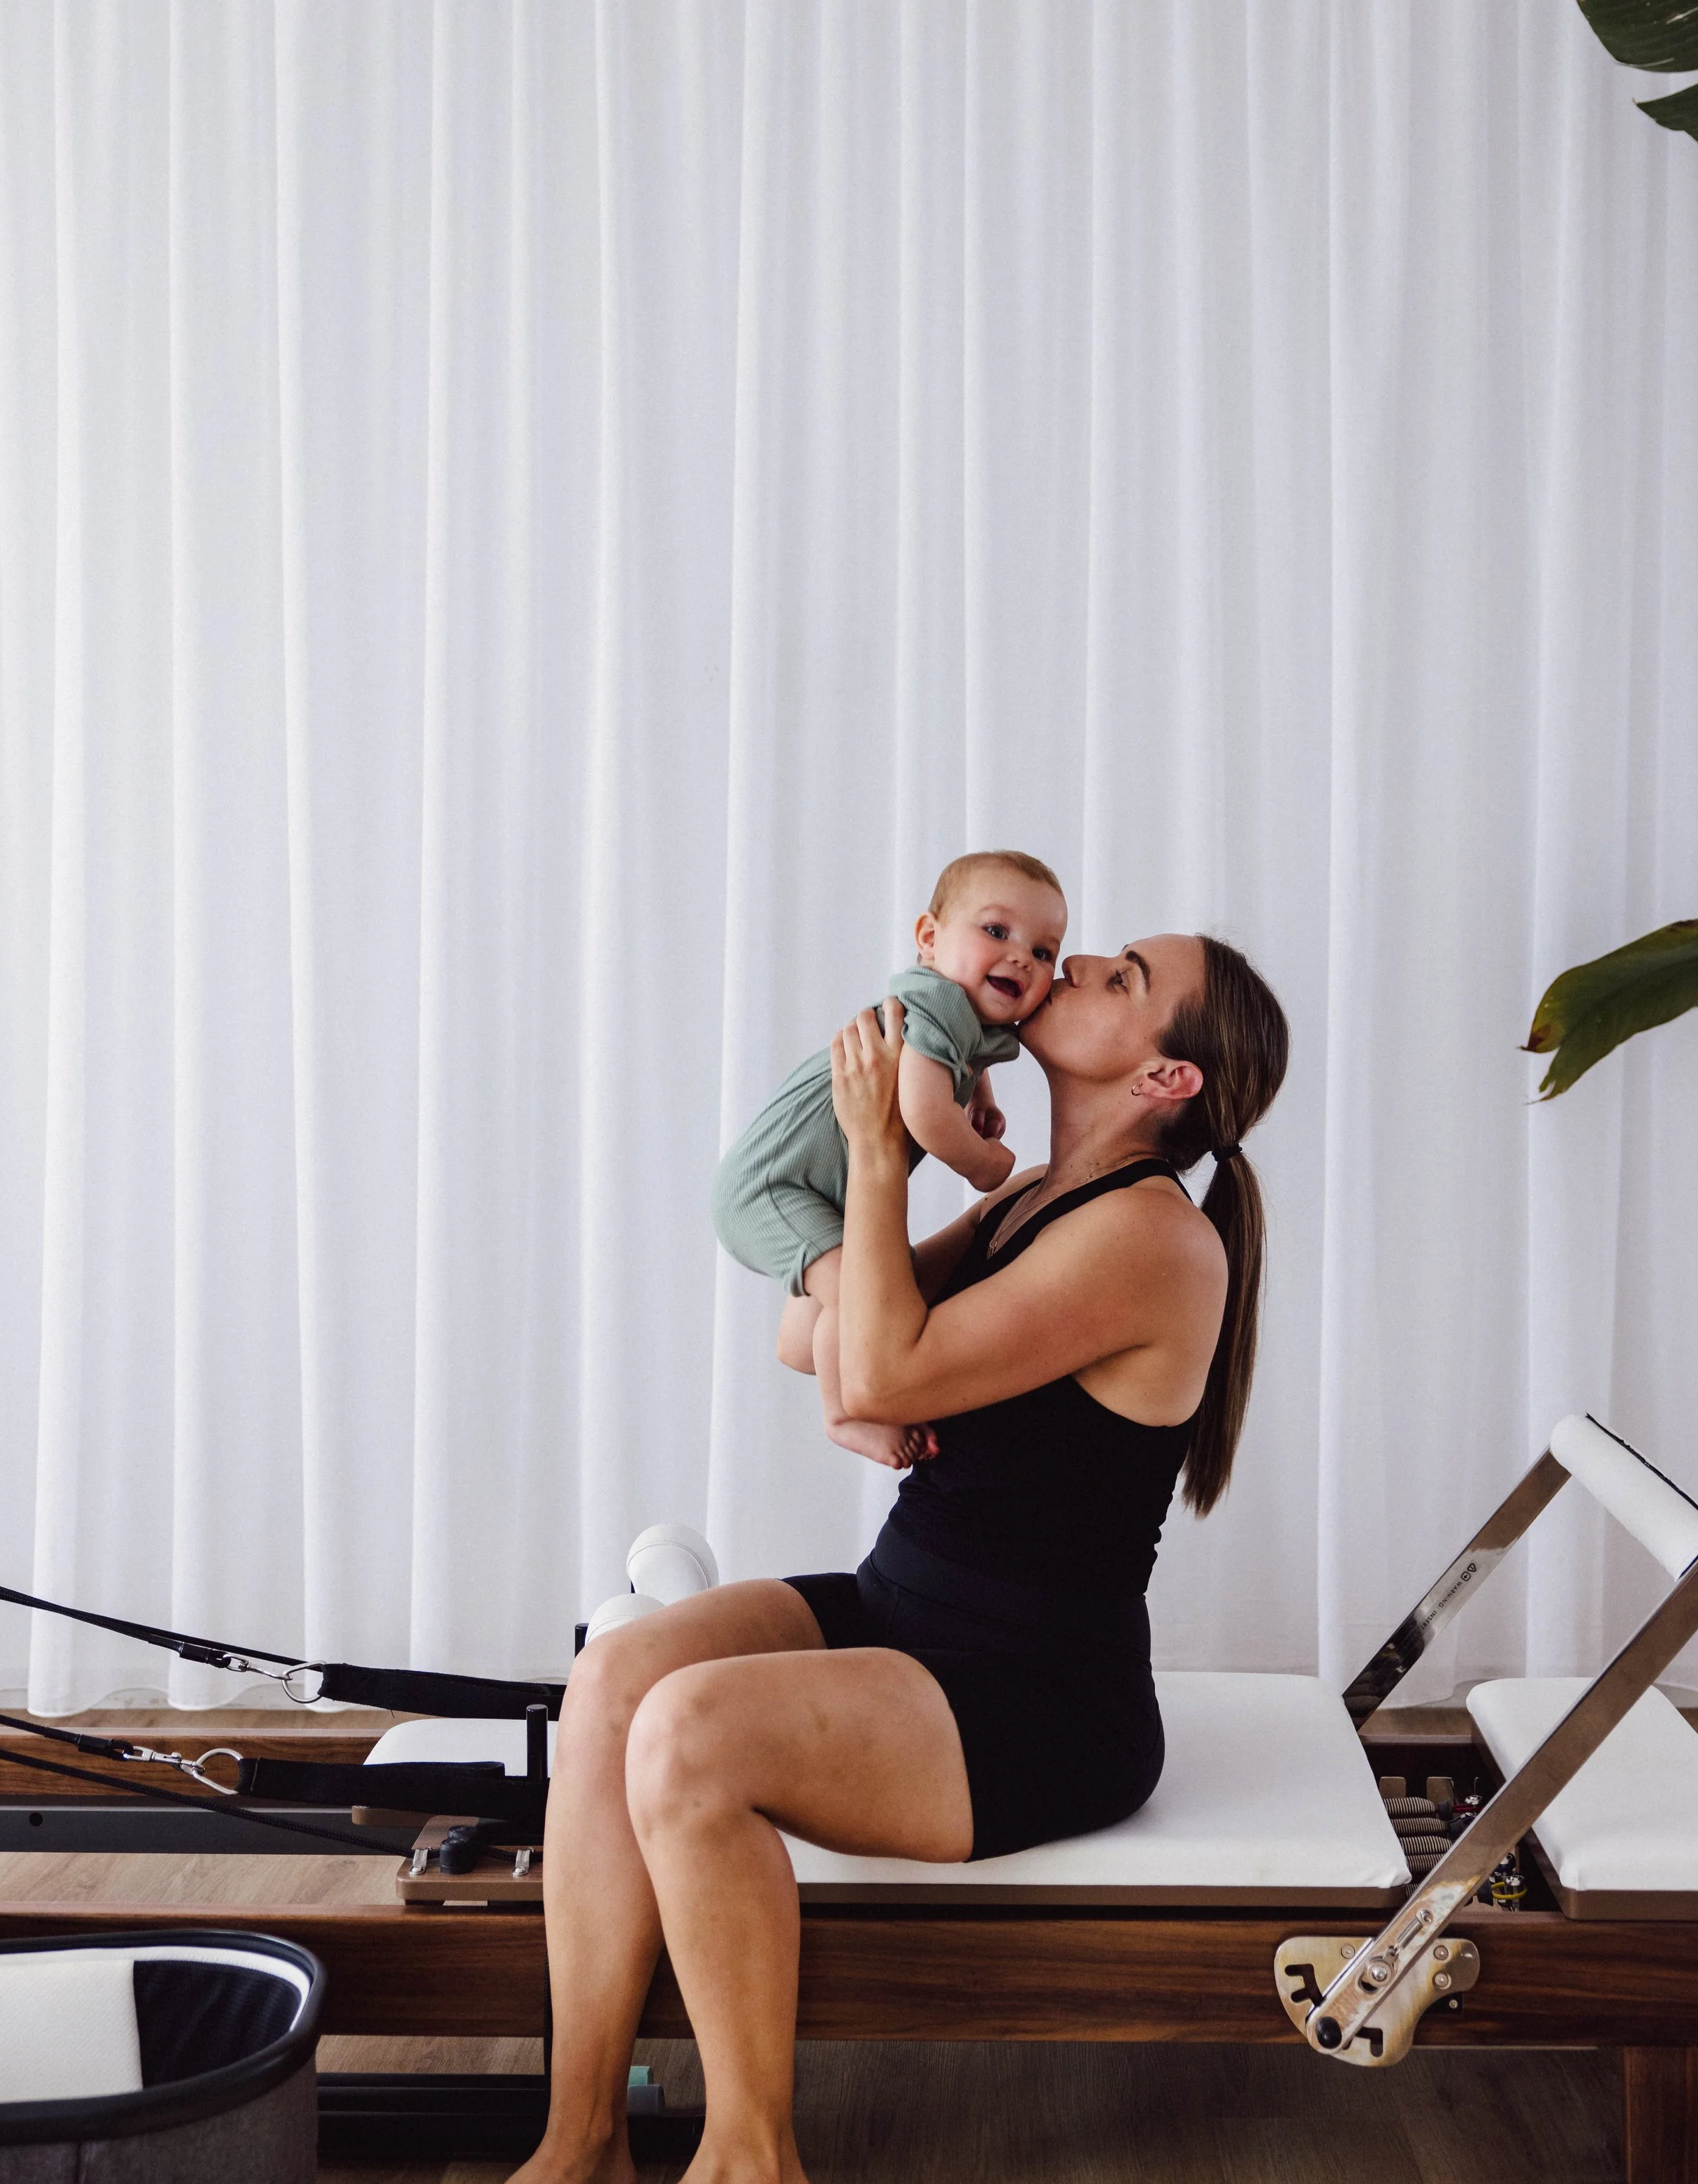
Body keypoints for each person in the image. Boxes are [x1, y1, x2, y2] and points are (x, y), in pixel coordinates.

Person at [516, 934, 1289, 2184]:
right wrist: (868, 1203)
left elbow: (874, 1366)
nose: (1077, 958)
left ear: (1167, 1080)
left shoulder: (1151, 1239)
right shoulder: (1028, 1195)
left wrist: (885, 1154)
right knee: (614, 1681)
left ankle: (749, 2157)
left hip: (1035, 1693)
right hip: (906, 1610)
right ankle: (581, 2139)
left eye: (1124, 978)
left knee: (690, 1732)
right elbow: (805, 1334)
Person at [712, 850, 1067, 1466]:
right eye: (996, 931)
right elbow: (927, 1112)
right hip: (774, 1187)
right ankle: (844, 1412)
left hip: (816, 1190)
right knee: (863, 1299)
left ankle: (819, 1340)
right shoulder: (935, 1006)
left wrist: (977, 1097)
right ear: (929, 938)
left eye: (1044, 951)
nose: (1021, 957)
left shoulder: (963, 1022)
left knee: (831, 1316)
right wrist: (981, 1163)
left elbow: (953, 1070)